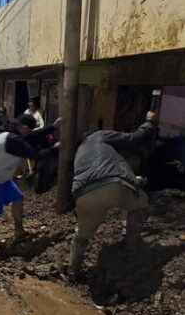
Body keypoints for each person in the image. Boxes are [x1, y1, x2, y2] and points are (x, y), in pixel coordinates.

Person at [68, 111, 158, 281]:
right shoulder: (99, 136)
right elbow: (134, 139)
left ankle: (72, 273)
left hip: (84, 194)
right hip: (114, 186)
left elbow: (86, 179)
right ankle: (131, 244)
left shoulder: (79, 153)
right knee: (141, 201)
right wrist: (149, 123)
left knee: (82, 236)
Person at [0, 114, 61, 255]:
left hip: (2, 178)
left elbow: (32, 136)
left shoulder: (8, 132)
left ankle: (19, 231)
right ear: (23, 127)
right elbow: (34, 154)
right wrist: (54, 149)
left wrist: (52, 128)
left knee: (18, 198)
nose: (30, 133)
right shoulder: (12, 139)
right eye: (29, 130)